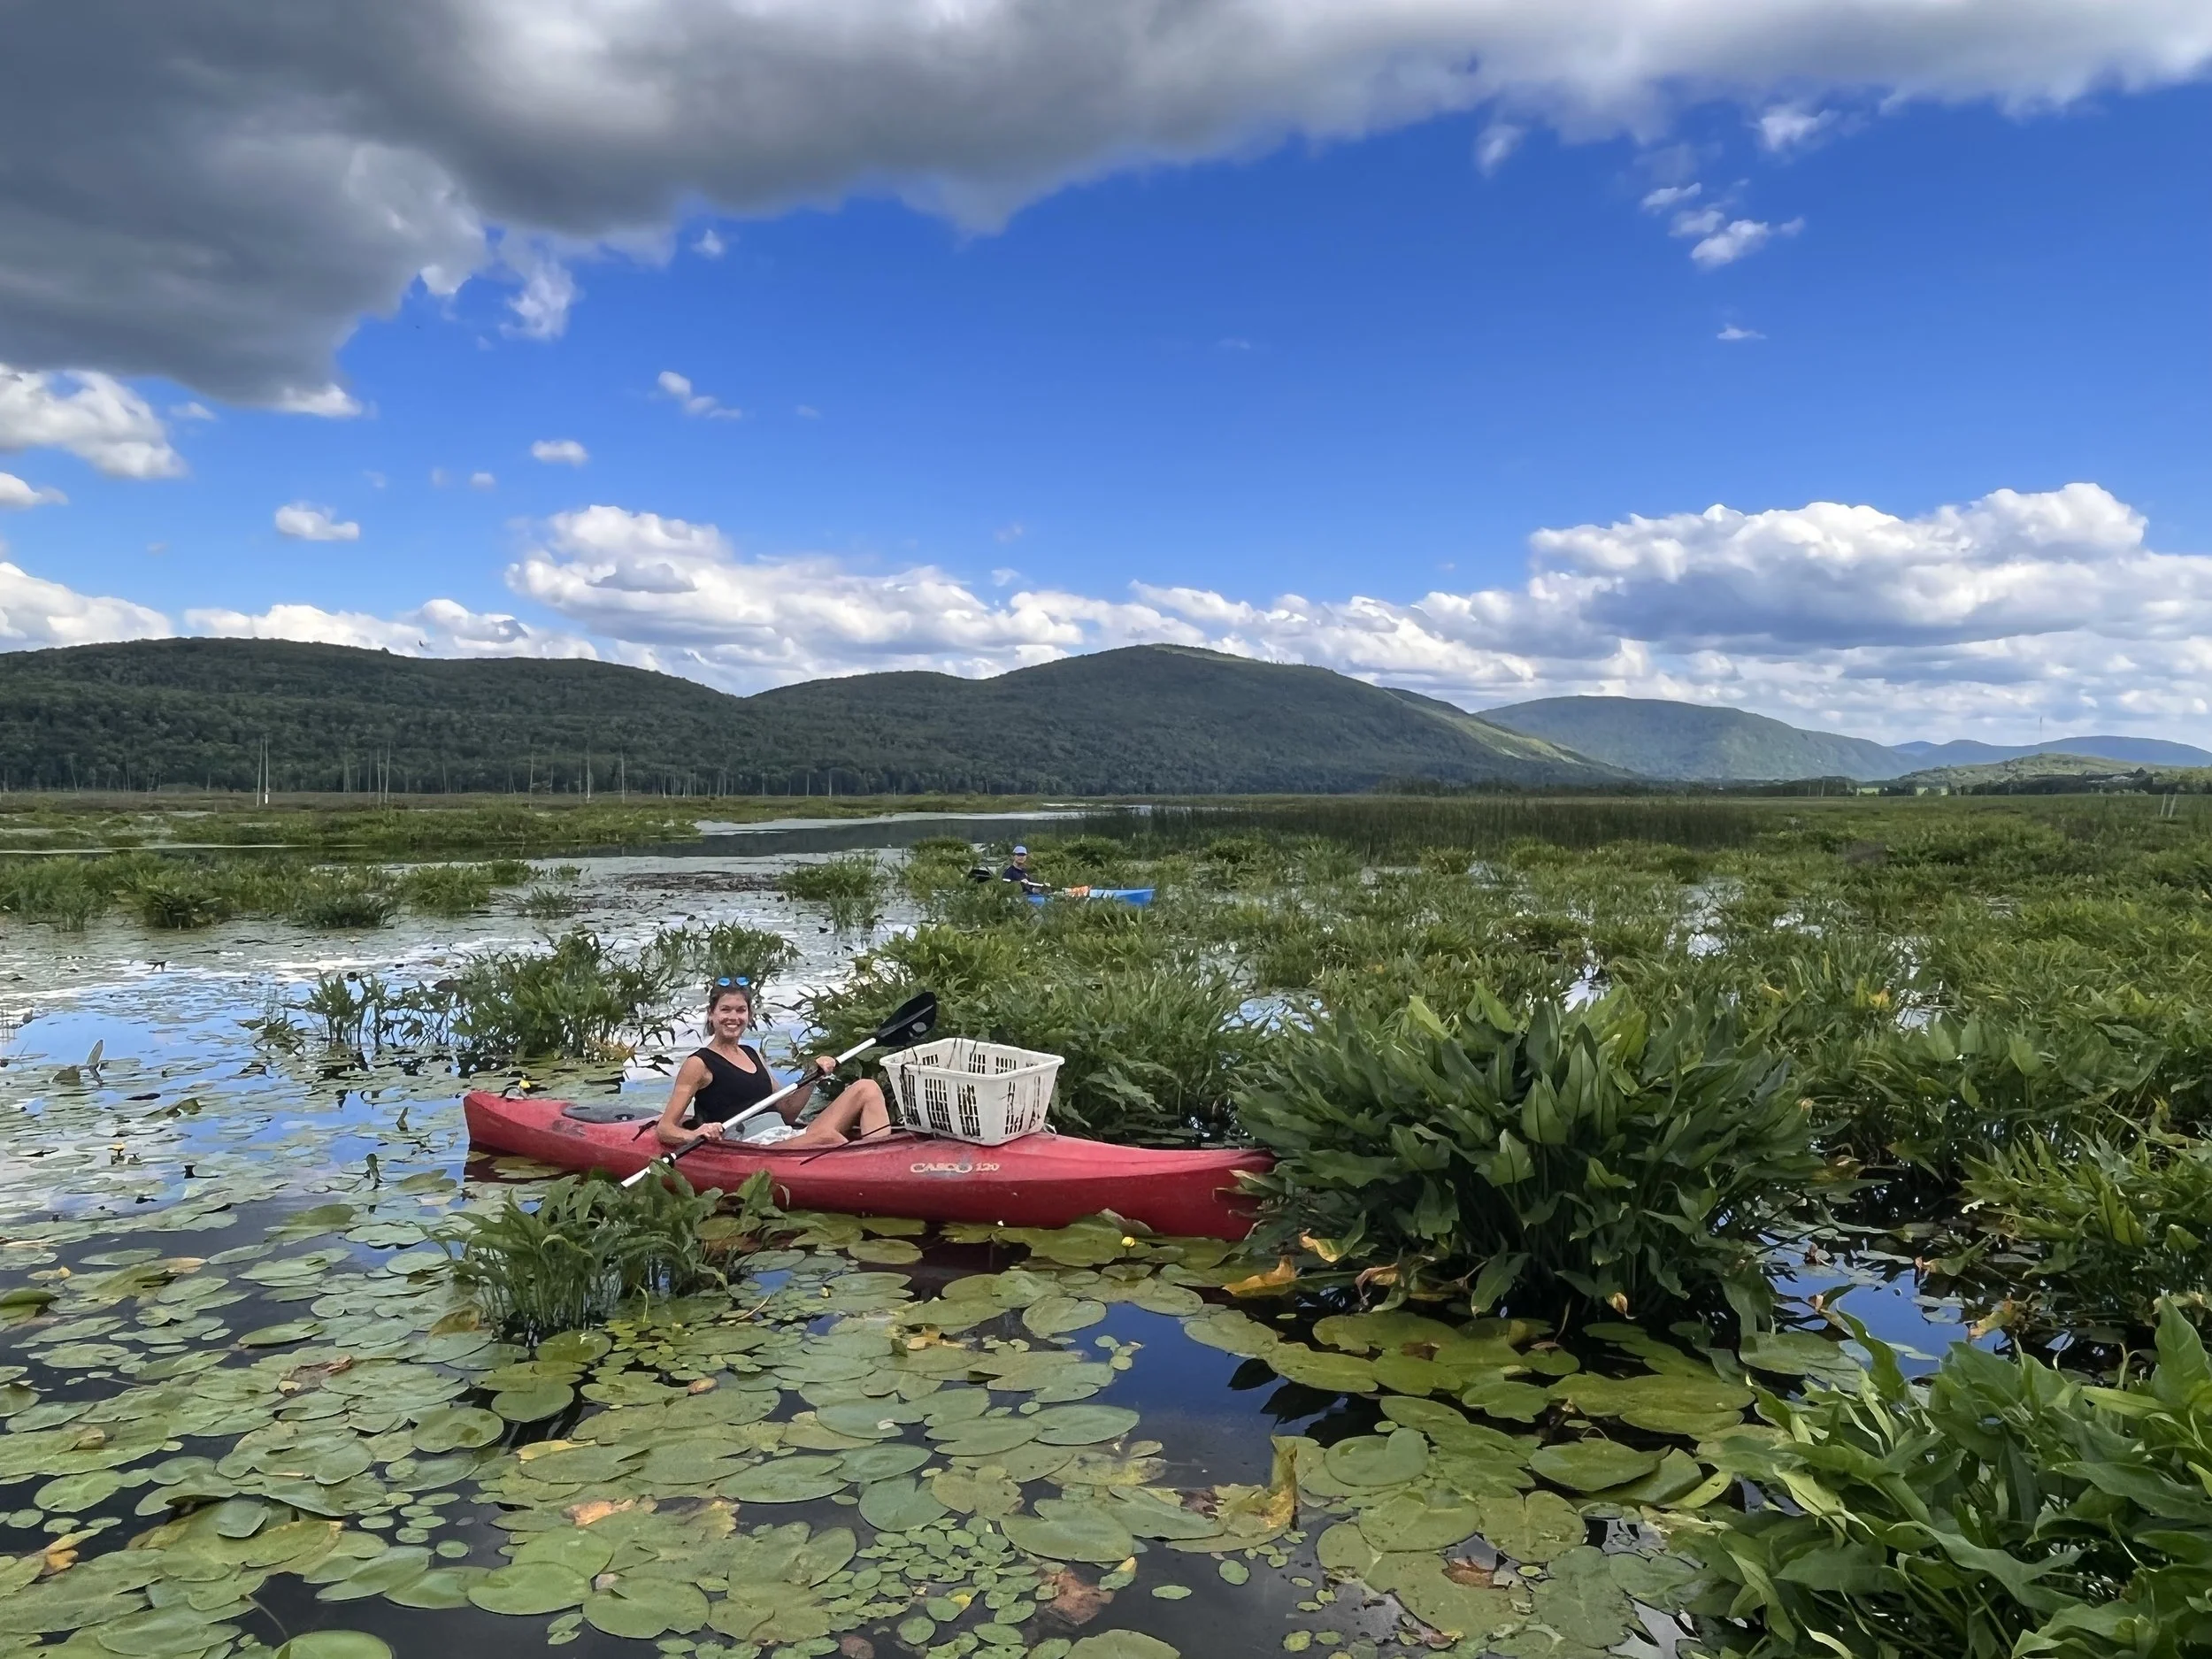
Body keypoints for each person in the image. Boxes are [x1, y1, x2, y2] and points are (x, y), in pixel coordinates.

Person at [653, 979, 890, 1150]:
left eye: (740, 1010)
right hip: (752, 1146)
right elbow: (666, 1128)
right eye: (725, 1010)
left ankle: (879, 1159)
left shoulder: (751, 1053)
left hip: (783, 1134)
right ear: (711, 1014)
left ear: (749, 1015)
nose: (733, 1017)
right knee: (827, 1137)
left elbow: (787, 1112)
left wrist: (812, 1076)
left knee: (866, 1088)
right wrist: (695, 1134)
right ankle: (866, 1169)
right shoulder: (699, 1063)